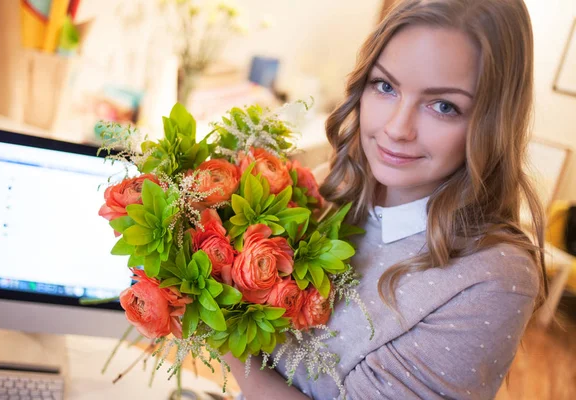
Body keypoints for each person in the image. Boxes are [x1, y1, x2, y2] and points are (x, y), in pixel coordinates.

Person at [225, 0, 547, 398]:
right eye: (386, 86)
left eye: (443, 106)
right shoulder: (337, 185)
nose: (396, 129)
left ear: (493, 120)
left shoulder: (493, 277)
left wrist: (219, 333)